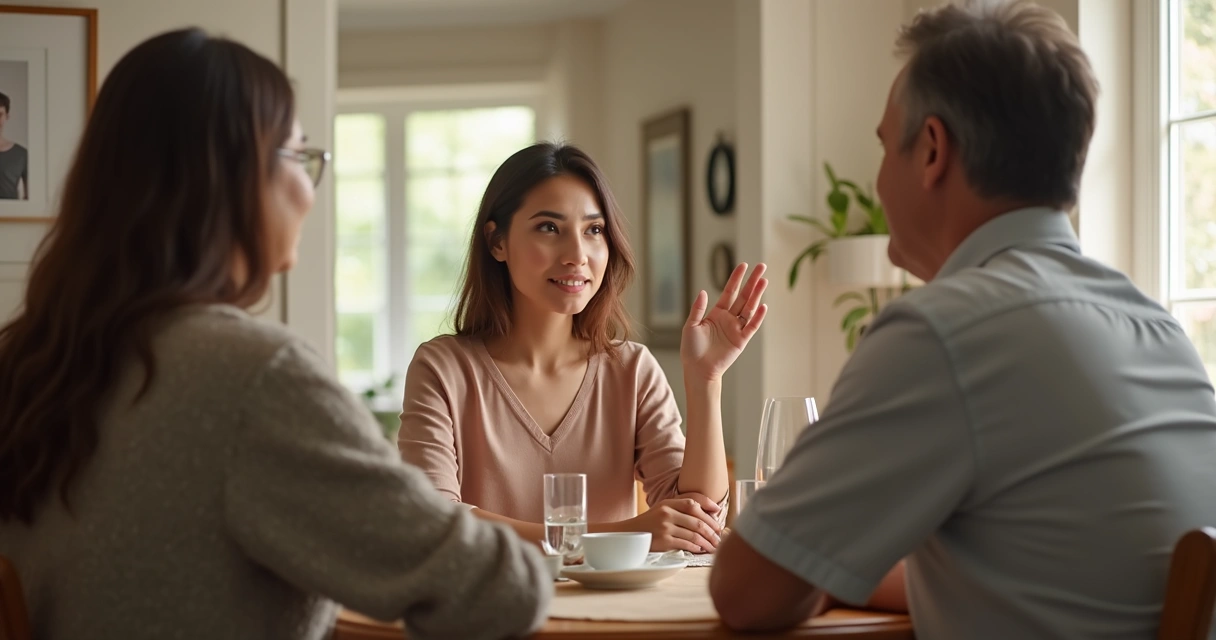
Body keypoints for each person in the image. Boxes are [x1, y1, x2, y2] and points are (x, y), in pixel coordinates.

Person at [0, 28, 551, 640]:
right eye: (298, 157)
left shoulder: (25, 358)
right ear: (230, 180)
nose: (310, 192)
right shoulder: (252, 376)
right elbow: (501, 591)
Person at [710, 1, 1216, 638]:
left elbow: (746, 592)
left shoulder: (944, 332)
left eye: (882, 148)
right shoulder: (1158, 331)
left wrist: (812, 563)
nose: (876, 183)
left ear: (931, 151)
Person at [398, 142, 768, 553]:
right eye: (549, 228)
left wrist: (705, 381)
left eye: (593, 230)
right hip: (492, 612)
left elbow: (698, 522)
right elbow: (430, 520)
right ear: (496, 241)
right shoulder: (443, 369)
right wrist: (618, 535)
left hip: (616, 614)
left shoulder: (632, 369)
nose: (577, 255)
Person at [0, 91, 29, 200]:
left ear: (7, 116)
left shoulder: (22, 154)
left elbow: (30, 197)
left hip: (11, 216)